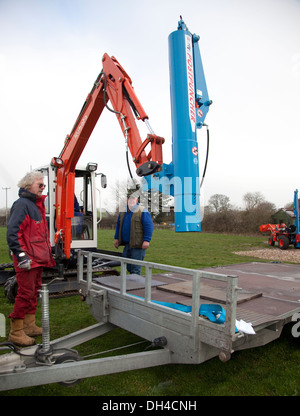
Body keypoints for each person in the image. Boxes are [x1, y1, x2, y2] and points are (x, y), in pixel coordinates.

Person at [6, 171, 56, 347]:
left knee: (33, 292)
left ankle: (28, 325)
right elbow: (13, 232)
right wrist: (21, 256)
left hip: (36, 258)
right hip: (27, 259)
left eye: (44, 185)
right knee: (25, 293)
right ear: (28, 186)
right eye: (40, 185)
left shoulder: (36, 205)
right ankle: (16, 332)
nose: (43, 188)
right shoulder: (22, 205)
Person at [114, 191, 153, 275]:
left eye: (133, 199)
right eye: (130, 199)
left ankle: (136, 286)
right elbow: (118, 225)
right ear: (127, 199)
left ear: (137, 200)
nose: (131, 201)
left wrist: (147, 240)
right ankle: (129, 284)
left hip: (138, 245)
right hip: (127, 244)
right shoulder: (123, 211)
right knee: (126, 266)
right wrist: (116, 238)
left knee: (135, 268)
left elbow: (149, 226)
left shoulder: (142, 211)